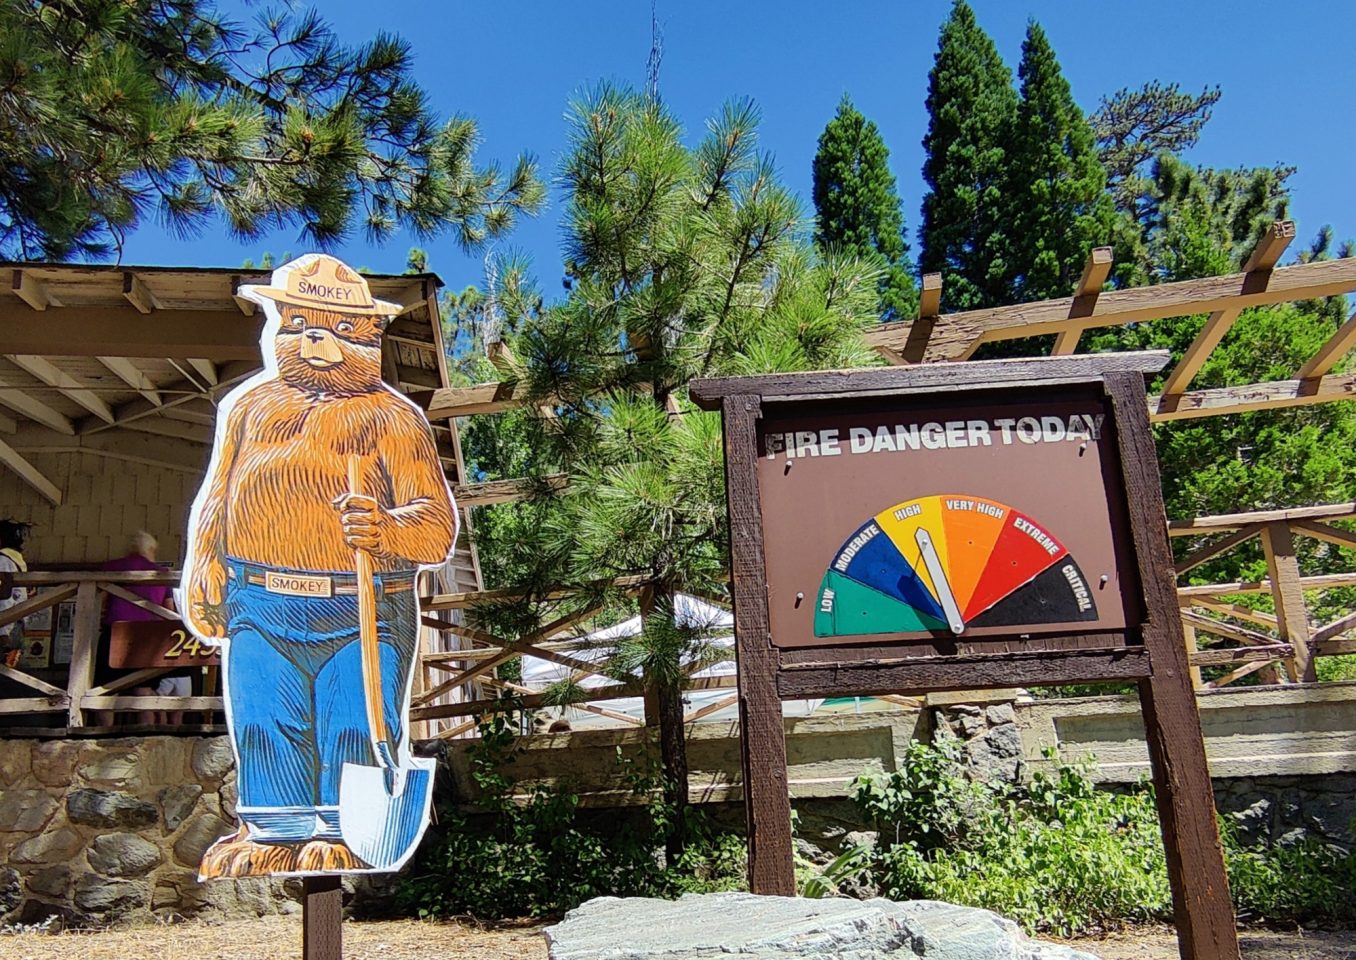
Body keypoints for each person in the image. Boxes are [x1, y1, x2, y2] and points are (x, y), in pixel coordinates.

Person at [96, 531, 181, 726]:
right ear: (150, 549)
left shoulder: (113, 568)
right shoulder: (162, 574)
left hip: (116, 633)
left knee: (106, 689)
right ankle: (145, 736)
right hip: (147, 637)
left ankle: (103, 734)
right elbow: (168, 610)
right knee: (143, 691)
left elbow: (98, 596)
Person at [0, 520, 30, 667]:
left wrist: (3, 631)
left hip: (6, 626)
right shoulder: (16, 560)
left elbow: (4, 597)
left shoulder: (2, 561)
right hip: (16, 623)